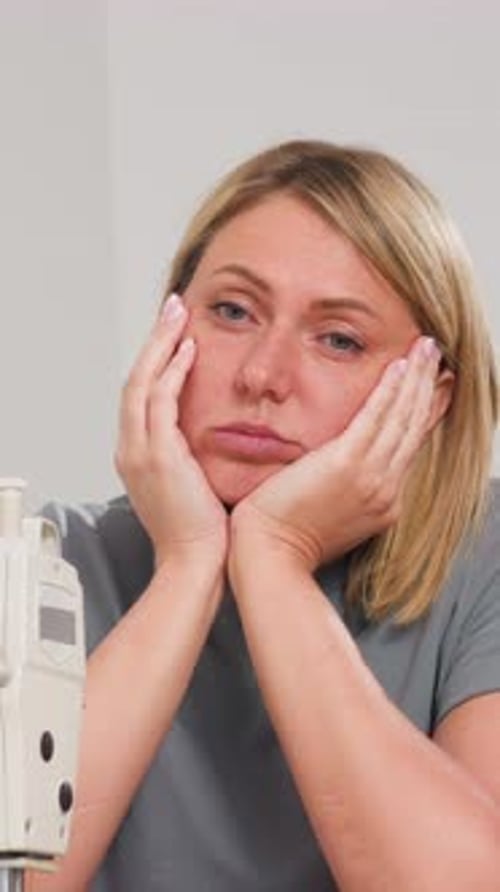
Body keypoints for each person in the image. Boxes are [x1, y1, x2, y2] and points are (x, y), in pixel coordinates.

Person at [29, 140, 500, 892]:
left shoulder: (483, 563)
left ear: (431, 398)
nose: (262, 375)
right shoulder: (42, 564)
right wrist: (188, 564)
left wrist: (276, 556)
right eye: (232, 311)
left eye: (338, 339)